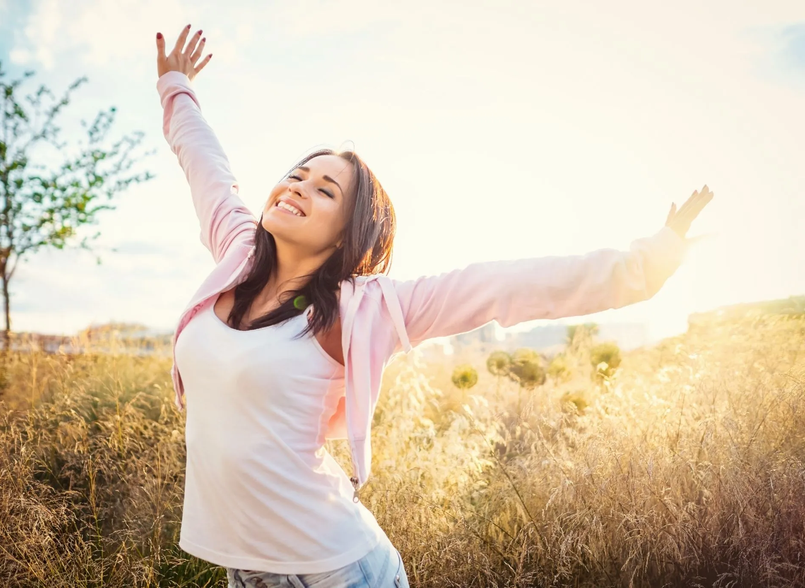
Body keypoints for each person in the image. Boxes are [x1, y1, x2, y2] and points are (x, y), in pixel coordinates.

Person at [154, 24, 713, 588]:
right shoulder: (237, 255)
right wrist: (176, 85)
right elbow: (207, 167)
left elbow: (504, 284)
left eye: (325, 190)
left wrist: (647, 264)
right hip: (244, 569)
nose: (297, 187)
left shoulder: (360, 311)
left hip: (336, 571)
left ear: (349, 234)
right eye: (296, 176)